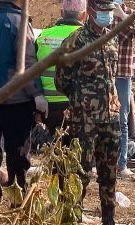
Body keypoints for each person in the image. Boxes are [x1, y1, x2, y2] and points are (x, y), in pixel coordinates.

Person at [55, 0, 122, 225]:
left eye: (109, 12)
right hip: (84, 119)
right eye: (103, 12)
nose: (107, 16)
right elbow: (62, 80)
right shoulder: (75, 41)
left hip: (110, 117)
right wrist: (81, 99)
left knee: (109, 173)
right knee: (80, 172)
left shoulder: (112, 38)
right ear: (91, 11)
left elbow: (112, 75)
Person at [0, 0, 48, 207]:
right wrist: (38, 95)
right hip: (16, 100)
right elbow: (28, 63)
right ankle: (18, 200)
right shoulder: (18, 21)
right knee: (18, 152)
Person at [36, 0, 86, 132]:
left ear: (62, 13)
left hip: (46, 106)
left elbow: (30, 68)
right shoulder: (86, 38)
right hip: (75, 105)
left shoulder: (43, 36)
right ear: (84, 15)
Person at [111, 0, 135, 178]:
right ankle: (100, 162)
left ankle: (121, 164)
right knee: (101, 118)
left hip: (123, 74)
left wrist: (124, 17)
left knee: (122, 119)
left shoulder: (133, 13)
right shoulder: (100, 11)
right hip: (104, 73)